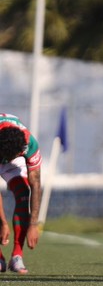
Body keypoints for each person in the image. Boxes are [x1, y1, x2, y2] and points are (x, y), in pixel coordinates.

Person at [0, 113, 42, 274]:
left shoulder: (29, 143)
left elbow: (36, 184)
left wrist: (33, 224)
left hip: (11, 150)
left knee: (23, 192)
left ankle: (17, 255)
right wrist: (3, 223)